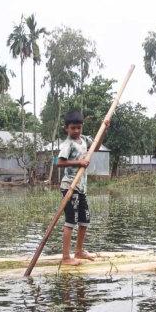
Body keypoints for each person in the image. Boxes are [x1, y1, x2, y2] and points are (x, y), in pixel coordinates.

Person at [56, 110, 110, 267]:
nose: (76, 131)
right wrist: (78, 162)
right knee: (70, 221)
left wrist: (104, 129)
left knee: (84, 220)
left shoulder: (84, 139)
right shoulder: (68, 144)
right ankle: (66, 257)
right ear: (66, 128)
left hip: (81, 188)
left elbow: (97, 147)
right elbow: (59, 162)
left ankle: (78, 251)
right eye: (73, 128)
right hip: (70, 187)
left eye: (79, 127)